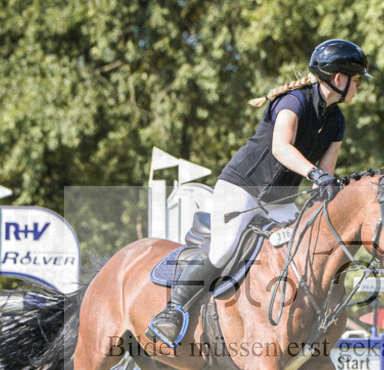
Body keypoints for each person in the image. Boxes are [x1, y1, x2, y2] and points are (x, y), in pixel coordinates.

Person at [145, 39, 371, 347]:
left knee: (308, 246)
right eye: (357, 79)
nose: (359, 86)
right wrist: (315, 175)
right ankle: (172, 311)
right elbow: (281, 147)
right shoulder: (294, 101)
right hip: (241, 188)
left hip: (279, 201)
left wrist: (329, 191)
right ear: (339, 78)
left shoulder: (337, 121)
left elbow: (325, 172)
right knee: (223, 248)